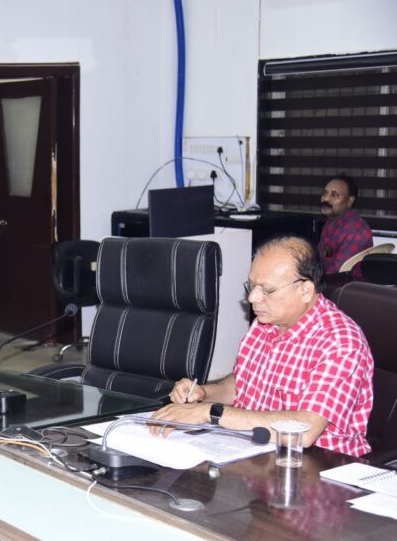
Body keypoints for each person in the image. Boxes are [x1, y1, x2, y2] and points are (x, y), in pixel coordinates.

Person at [153, 236, 373, 457]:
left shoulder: (340, 341)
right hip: (256, 452)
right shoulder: (265, 323)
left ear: (306, 291)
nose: (252, 298)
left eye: (266, 290)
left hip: (319, 463)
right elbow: (243, 384)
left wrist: (210, 412)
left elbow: (306, 430)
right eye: (252, 286)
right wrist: (203, 394)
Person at [317, 174, 373, 277]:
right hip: (326, 281)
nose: (326, 199)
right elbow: (321, 259)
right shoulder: (330, 223)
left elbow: (339, 272)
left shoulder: (355, 230)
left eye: (334, 195)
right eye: (325, 193)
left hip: (345, 285)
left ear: (349, 201)